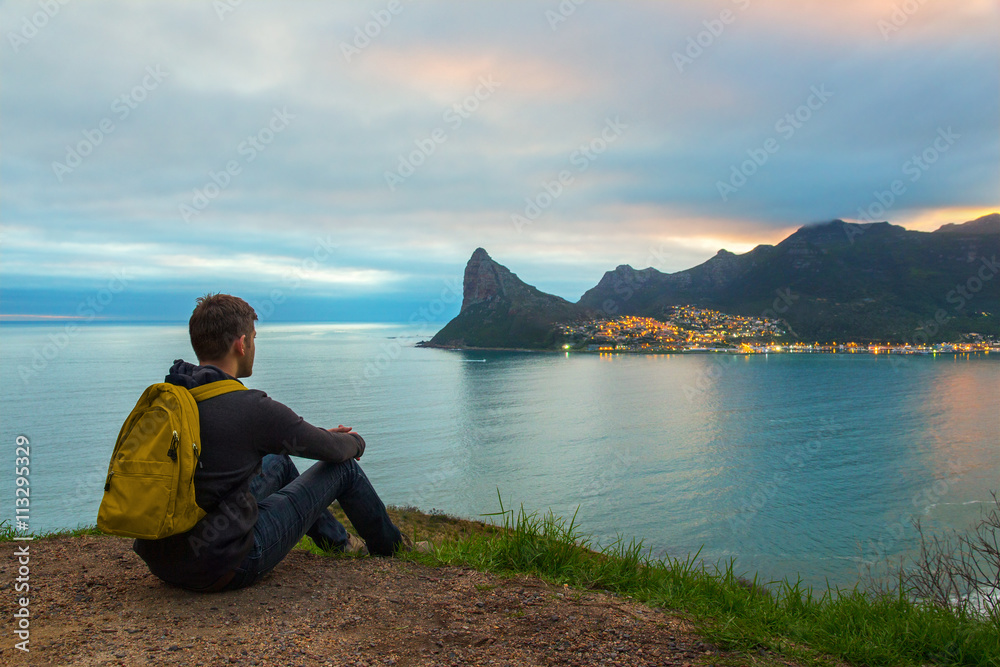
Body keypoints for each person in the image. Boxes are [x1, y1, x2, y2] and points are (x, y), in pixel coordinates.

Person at [132, 293, 419, 592]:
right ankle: (393, 549)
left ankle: (340, 543)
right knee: (344, 469)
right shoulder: (250, 406)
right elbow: (334, 451)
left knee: (278, 462)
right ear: (241, 344)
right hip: (224, 566)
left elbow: (283, 438)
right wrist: (355, 442)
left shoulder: (174, 395)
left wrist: (321, 436)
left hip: (163, 561)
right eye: (254, 338)